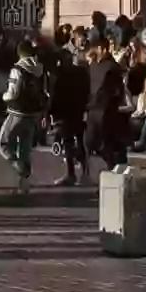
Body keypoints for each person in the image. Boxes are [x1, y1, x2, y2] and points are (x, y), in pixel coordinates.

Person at [0, 38, 45, 193]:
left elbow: (13, 93)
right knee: (24, 148)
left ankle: (18, 167)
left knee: (3, 144)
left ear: (19, 53)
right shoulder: (40, 69)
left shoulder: (17, 69)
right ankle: (24, 185)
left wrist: (4, 96)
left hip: (16, 112)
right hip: (32, 113)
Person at [43, 34, 90, 187]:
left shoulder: (59, 74)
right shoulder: (82, 72)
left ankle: (71, 174)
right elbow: (87, 91)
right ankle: (85, 173)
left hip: (65, 113)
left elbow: (54, 95)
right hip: (78, 110)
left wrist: (48, 113)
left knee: (68, 143)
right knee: (80, 142)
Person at [83, 36, 131, 172]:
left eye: (97, 48)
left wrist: (112, 103)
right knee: (89, 141)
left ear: (102, 49)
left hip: (105, 109)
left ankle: (112, 166)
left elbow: (118, 90)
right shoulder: (93, 65)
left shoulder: (112, 67)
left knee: (104, 142)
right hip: (93, 108)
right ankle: (110, 162)